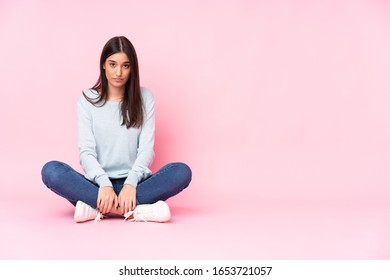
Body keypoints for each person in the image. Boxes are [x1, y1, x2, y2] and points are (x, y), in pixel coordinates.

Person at [41, 36, 192, 223]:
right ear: (103, 65)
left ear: (132, 69)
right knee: (51, 171)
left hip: (136, 184)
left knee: (181, 172)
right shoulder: (87, 99)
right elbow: (87, 152)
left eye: (125, 66)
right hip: (97, 185)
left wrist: (130, 183)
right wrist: (104, 185)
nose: (118, 72)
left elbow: (146, 149)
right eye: (113, 64)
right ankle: (136, 210)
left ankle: (97, 209)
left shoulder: (145, 97)